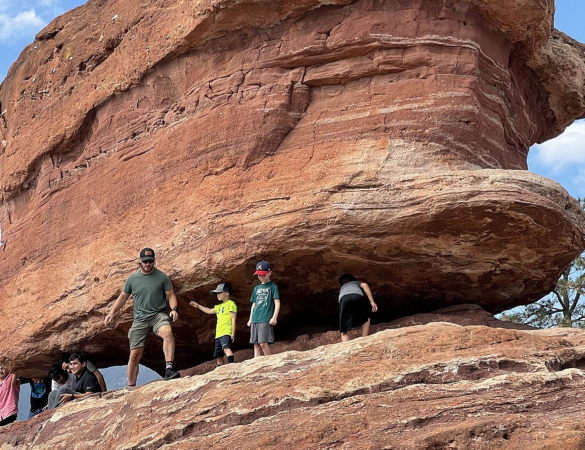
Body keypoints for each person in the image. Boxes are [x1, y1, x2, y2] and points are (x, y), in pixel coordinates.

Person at [104, 247, 180, 386]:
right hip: (140, 319)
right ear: (140, 262)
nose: (148, 264)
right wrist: (111, 313)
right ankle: (131, 386)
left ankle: (169, 369)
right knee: (134, 355)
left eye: (150, 261)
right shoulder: (132, 279)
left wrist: (174, 309)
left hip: (158, 315)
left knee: (167, 332)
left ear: (154, 261)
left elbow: (171, 295)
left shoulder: (162, 277)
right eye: (145, 261)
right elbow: (123, 297)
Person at [190, 282, 237, 366]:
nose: (217, 295)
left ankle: (232, 366)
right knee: (218, 355)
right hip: (218, 334)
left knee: (226, 349)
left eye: (219, 293)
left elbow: (233, 319)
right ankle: (220, 370)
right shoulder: (219, 306)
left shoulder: (231, 304)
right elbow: (209, 311)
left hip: (226, 331)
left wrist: (233, 333)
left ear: (227, 293)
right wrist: (198, 306)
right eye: (217, 293)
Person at [247, 261, 280, 357]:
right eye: (259, 275)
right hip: (255, 318)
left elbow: (277, 303)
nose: (261, 277)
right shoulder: (256, 288)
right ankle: (257, 364)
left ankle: (269, 361)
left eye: (263, 275)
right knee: (256, 344)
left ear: (270, 273)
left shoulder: (273, 287)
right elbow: (253, 304)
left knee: (263, 343)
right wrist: (250, 319)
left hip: (265, 318)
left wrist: (274, 317)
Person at [338, 273, 378, 342]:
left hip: (343, 299)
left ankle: (345, 344)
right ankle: (364, 339)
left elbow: (340, 301)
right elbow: (365, 285)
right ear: (352, 279)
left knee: (344, 324)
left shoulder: (342, 288)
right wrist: (372, 302)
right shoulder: (355, 283)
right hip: (357, 296)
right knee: (366, 317)